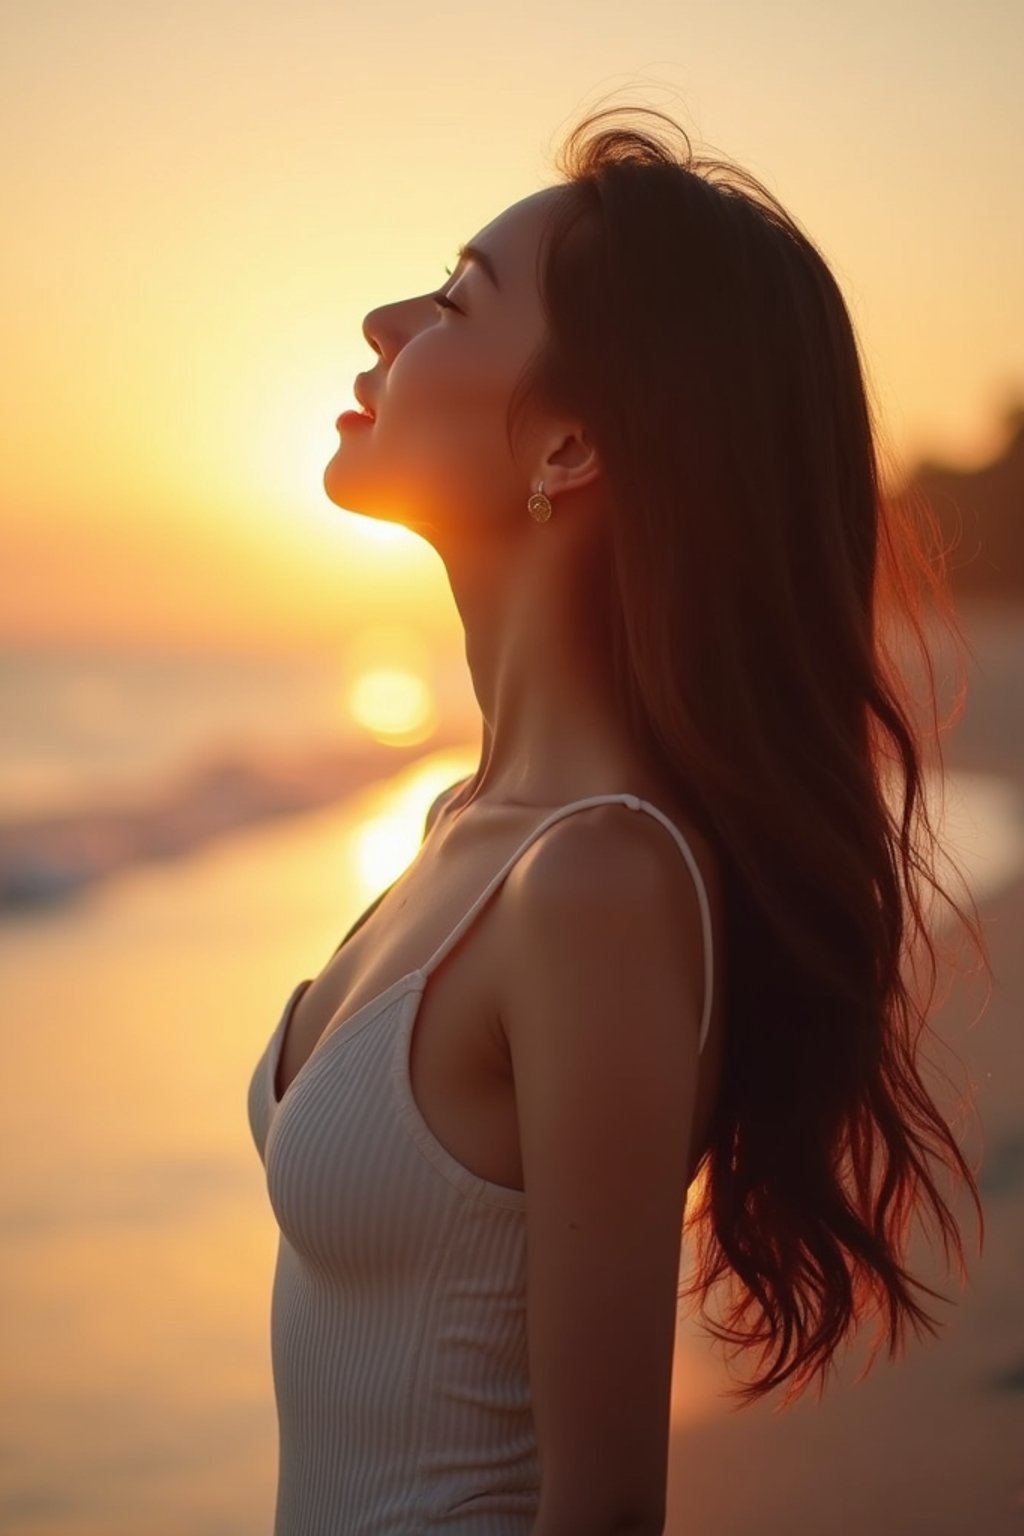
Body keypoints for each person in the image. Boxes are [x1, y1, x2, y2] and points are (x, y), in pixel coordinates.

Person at [248, 104, 988, 1536]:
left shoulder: (596, 882)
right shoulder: (471, 828)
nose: (386, 319)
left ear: (572, 443)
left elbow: (603, 1512)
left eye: (458, 299)